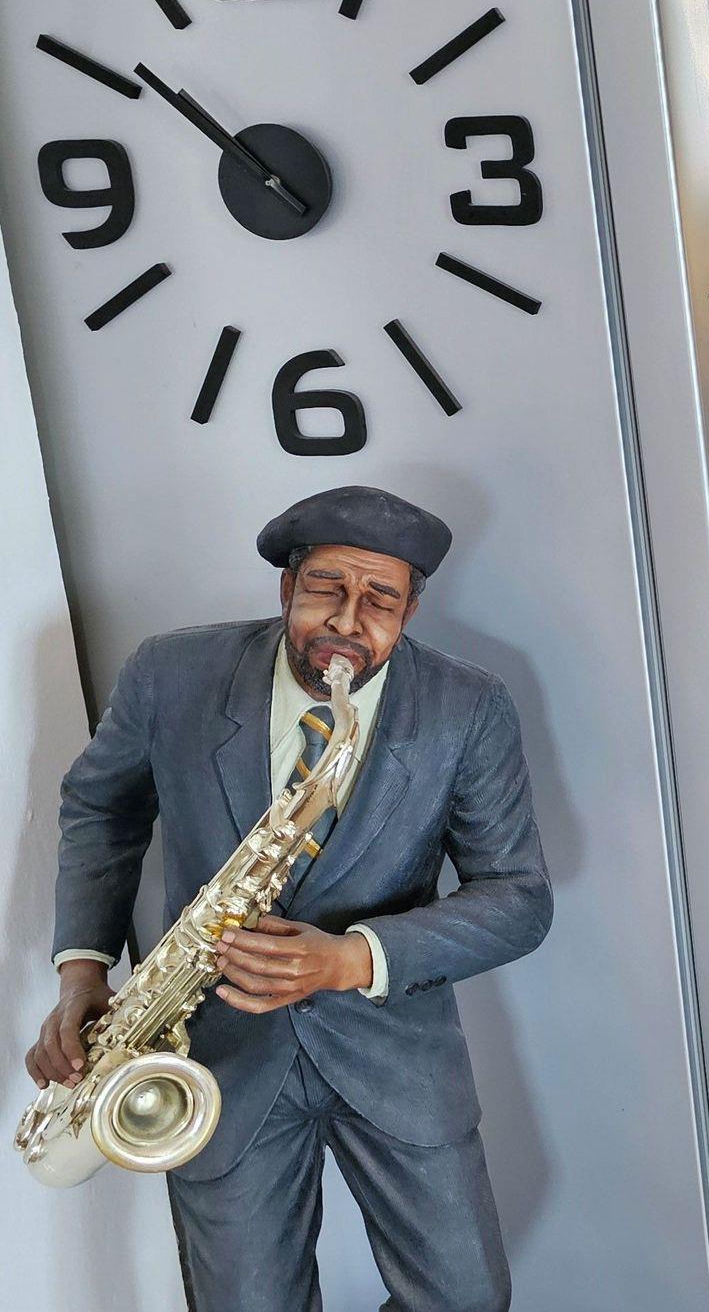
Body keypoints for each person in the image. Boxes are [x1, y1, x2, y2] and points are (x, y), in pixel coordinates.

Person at [24, 485, 552, 1312]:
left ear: (411, 609)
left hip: (392, 1050)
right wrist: (82, 971)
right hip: (215, 1055)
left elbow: (518, 898)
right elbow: (101, 809)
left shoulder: (468, 707)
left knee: (464, 1298)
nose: (347, 621)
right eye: (325, 588)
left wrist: (350, 960)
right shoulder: (172, 674)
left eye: (380, 601)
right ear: (286, 586)